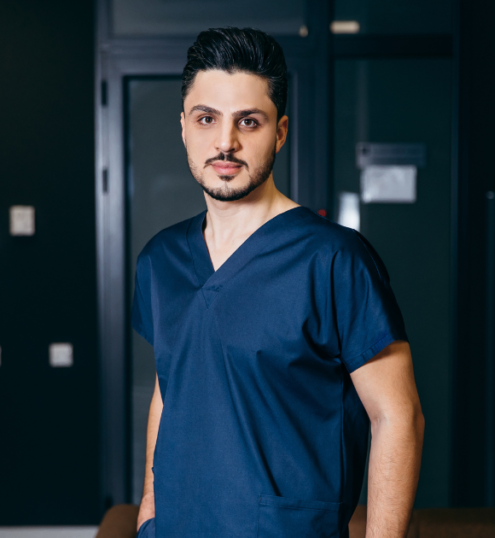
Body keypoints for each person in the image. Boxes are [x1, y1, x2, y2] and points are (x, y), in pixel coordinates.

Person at [132, 27, 424, 538]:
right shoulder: (161, 261)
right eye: (207, 119)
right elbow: (169, 388)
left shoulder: (335, 260)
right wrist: (150, 507)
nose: (226, 141)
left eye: (249, 121)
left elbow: (398, 418)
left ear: (281, 132)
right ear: (183, 128)